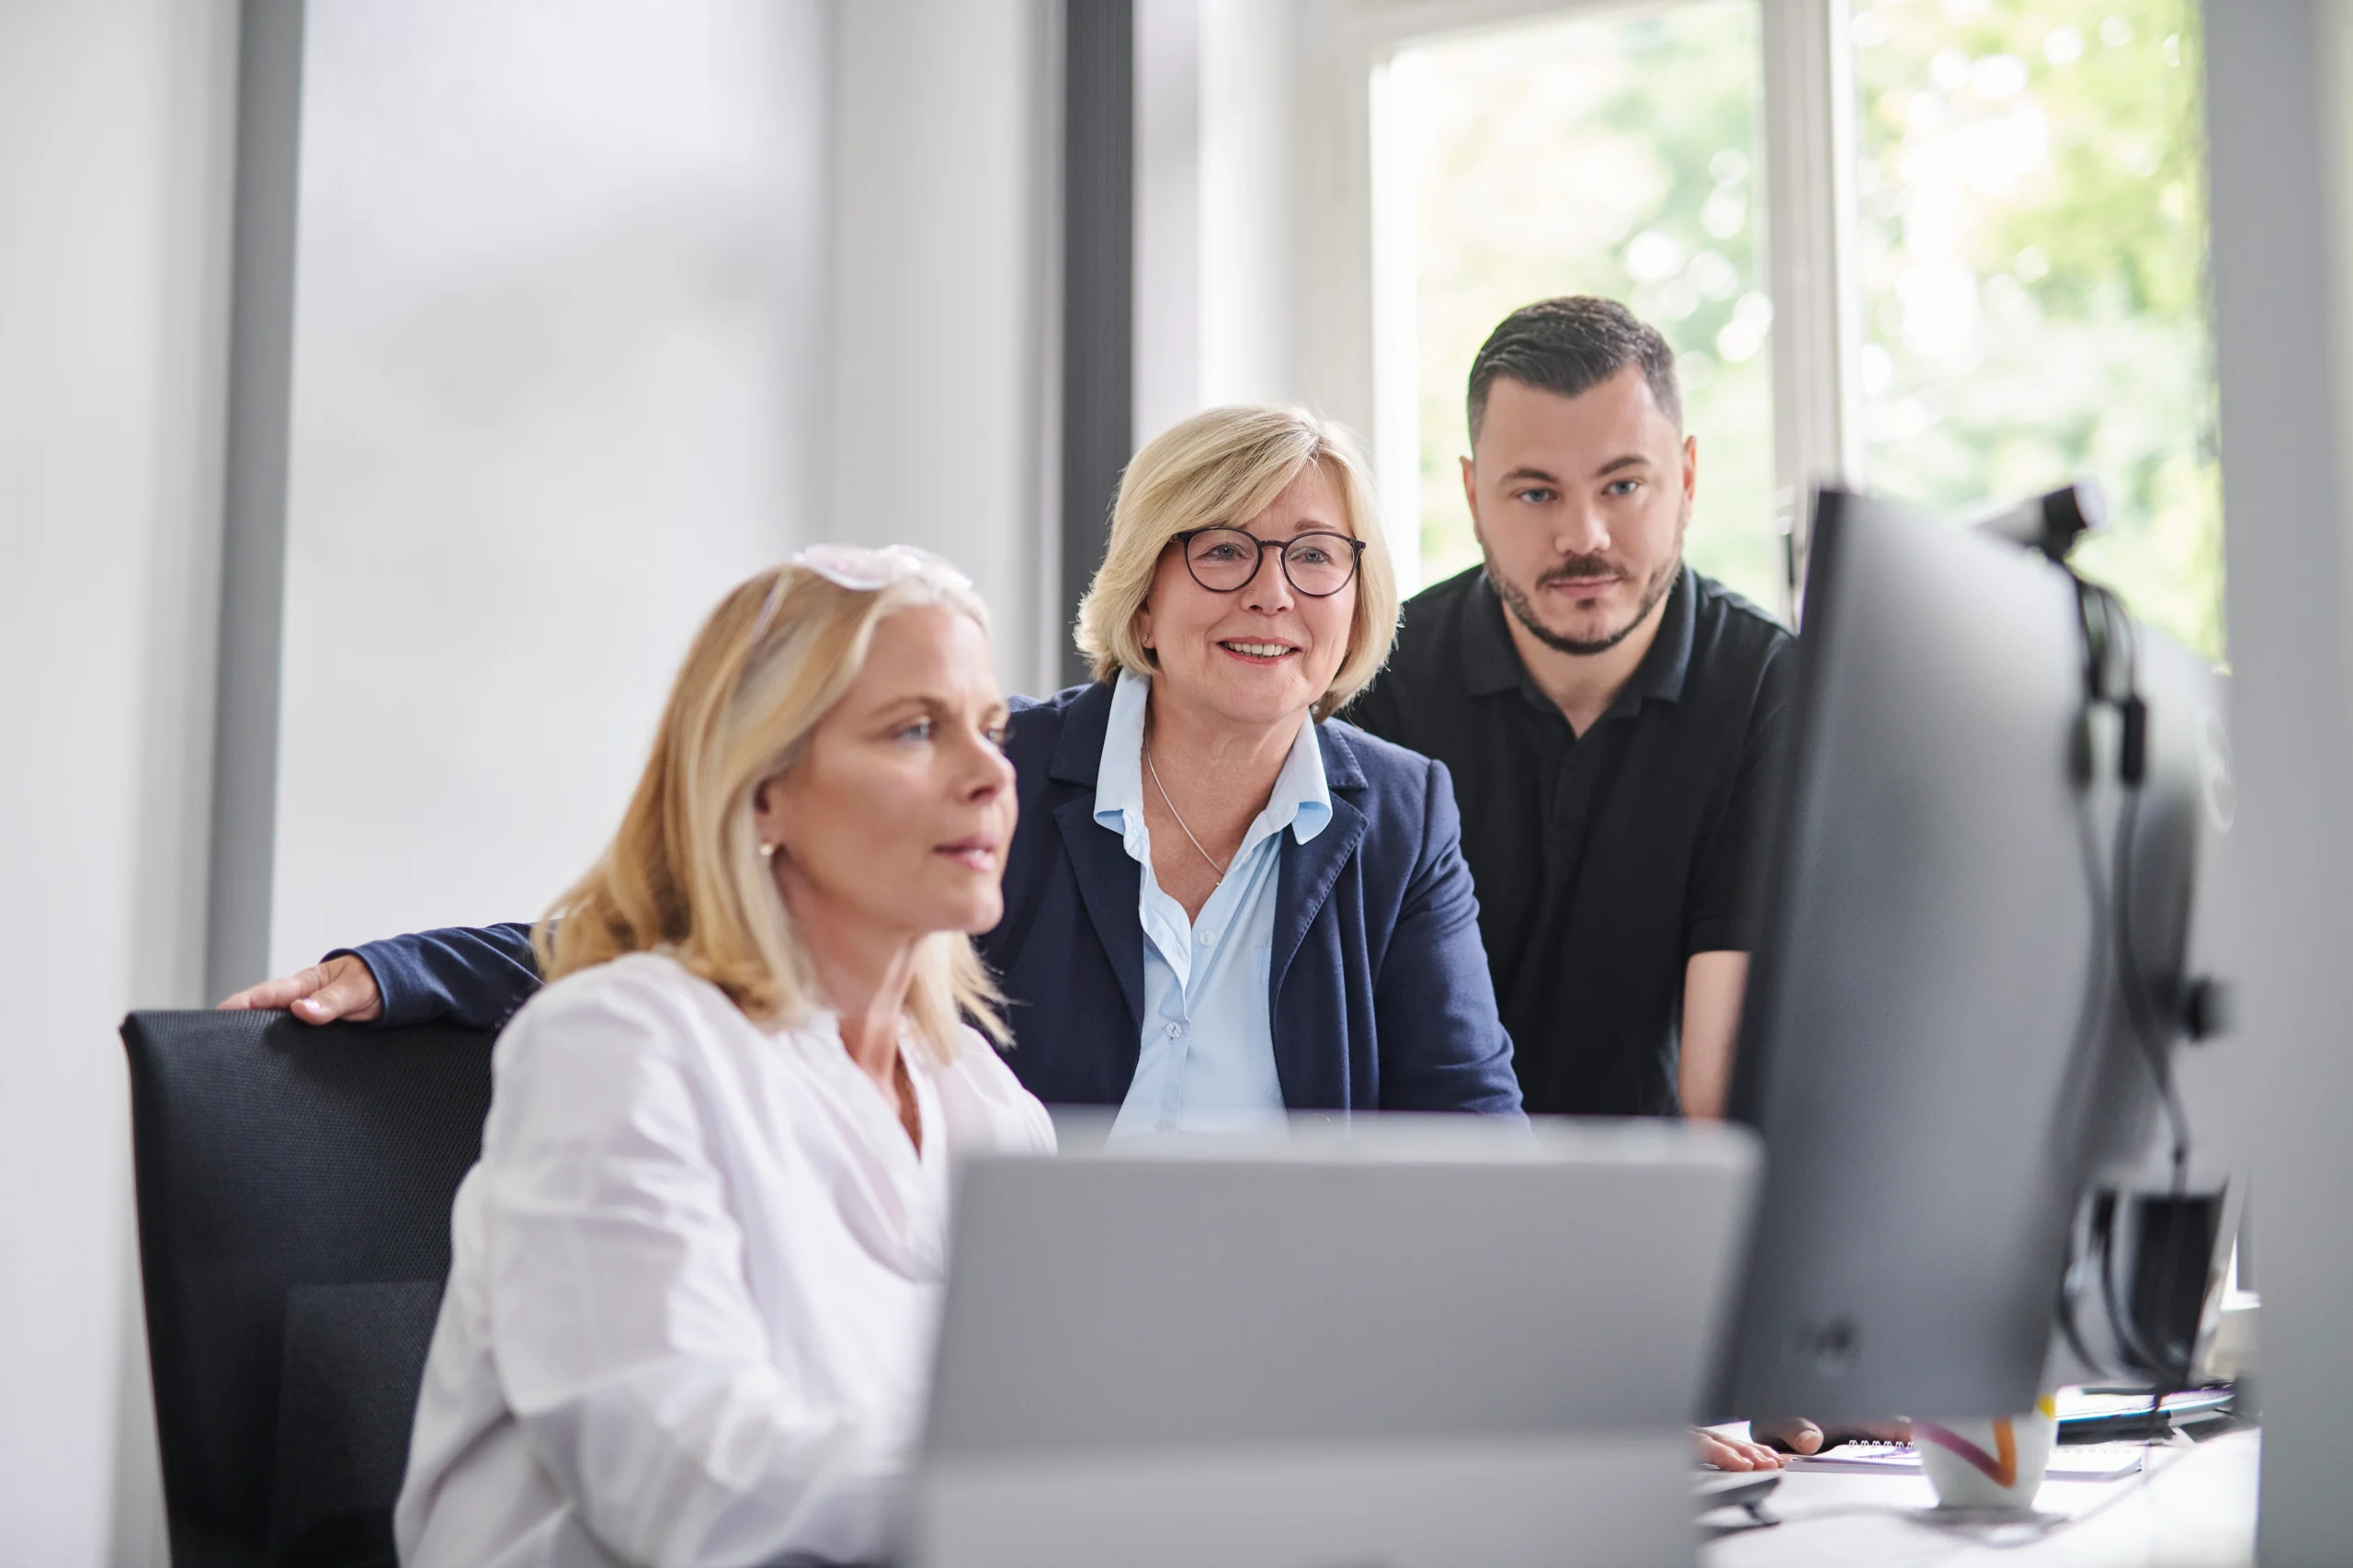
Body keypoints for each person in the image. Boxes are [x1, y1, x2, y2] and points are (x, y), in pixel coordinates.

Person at [225, 406, 1521, 1121]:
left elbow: (1470, 1125)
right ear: (1143, 588)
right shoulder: (996, 769)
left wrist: (1599, 1376)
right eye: (1222, 549)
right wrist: (397, 971)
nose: (1273, 592)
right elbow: (710, 924)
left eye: (1316, 555)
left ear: (1359, 593)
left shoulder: (1399, 810)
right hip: (998, 1337)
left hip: (1289, 1357)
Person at [392, 544, 1054, 1568]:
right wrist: (1034, 1499)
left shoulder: (985, 1100)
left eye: (991, 727)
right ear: (760, 791)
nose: (990, 774)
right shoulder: (618, 1047)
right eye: (916, 729)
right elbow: (688, 1479)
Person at [1346, 297, 1795, 1122]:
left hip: (1660, 1207)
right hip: (1432, 1199)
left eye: (1623, 484)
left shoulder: (1772, 690)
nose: (1583, 537)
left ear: (1687, 479)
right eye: (1535, 494)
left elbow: (1720, 1084)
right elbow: (1363, 1050)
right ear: (1474, 495)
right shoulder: (1375, 686)